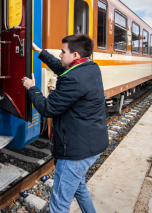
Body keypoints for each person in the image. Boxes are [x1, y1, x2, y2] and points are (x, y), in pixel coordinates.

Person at [22, 34, 108, 213]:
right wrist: (40, 51)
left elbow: (47, 109)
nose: (60, 55)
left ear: (75, 55)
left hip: (76, 151)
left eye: (63, 51)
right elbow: (62, 69)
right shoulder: (89, 68)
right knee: (79, 188)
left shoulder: (74, 78)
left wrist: (32, 88)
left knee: (59, 205)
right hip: (91, 142)